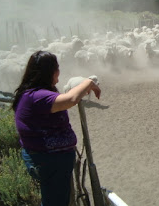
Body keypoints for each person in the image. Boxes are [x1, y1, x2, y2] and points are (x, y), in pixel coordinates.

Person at [12, 50, 101, 206]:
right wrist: (89, 81)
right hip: (50, 161)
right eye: (57, 68)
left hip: (45, 159)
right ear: (50, 71)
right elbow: (71, 99)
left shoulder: (30, 94)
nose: (59, 71)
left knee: (52, 199)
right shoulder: (39, 96)